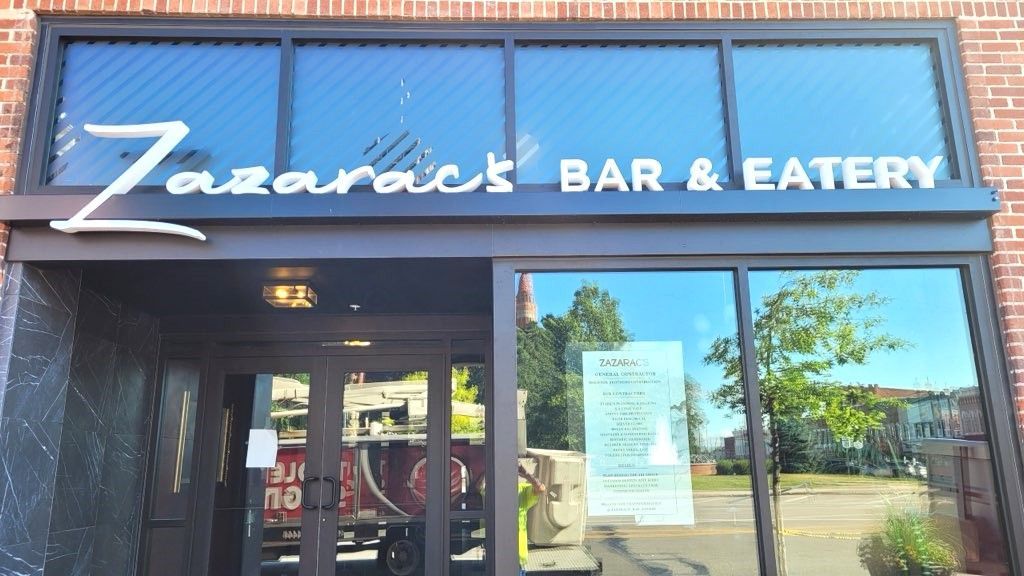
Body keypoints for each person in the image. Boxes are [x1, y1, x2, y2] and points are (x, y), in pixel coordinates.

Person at [517, 463, 546, 575]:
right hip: (498, 555)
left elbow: (540, 488)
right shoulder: (494, 491)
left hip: (517, 559)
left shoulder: (521, 491)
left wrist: (527, 475)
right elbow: (478, 487)